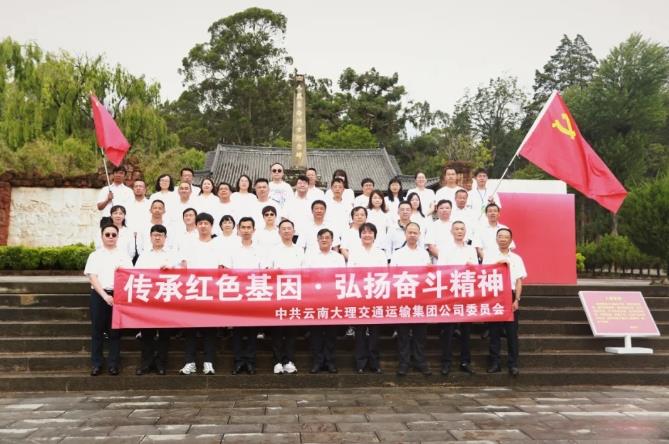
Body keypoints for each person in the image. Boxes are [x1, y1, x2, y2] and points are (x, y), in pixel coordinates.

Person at [84, 223, 133, 376]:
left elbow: (130, 276)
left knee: (115, 332)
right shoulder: (95, 255)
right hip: (99, 295)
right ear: (102, 236)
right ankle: (96, 364)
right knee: (97, 330)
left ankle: (113, 364)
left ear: (118, 237)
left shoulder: (124, 256)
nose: (110, 237)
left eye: (114, 235)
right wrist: (104, 295)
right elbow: (92, 277)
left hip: (118, 296)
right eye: (107, 234)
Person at [178, 212, 224, 375]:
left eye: (206, 223)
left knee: (210, 329)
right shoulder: (189, 244)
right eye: (200, 223)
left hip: (212, 291)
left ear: (211, 226)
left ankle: (208, 362)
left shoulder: (219, 245)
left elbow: (222, 268)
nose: (203, 226)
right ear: (196, 225)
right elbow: (183, 266)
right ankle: (190, 362)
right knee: (190, 328)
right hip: (192, 290)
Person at [134, 224, 180, 375]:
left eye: (161, 235)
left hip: (166, 298)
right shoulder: (144, 255)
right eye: (155, 235)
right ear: (150, 237)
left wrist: (172, 269)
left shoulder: (173, 255)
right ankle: (146, 364)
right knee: (147, 333)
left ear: (165, 238)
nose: (158, 237)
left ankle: (161, 364)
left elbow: (182, 273)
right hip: (148, 299)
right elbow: (136, 274)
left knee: (164, 334)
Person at [436, 221, 478, 377]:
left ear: (465, 232)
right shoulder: (445, 249)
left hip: (467, 292)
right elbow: (441, 269)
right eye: (457, 229)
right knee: (448, 330)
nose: (459, 231)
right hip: (450, 293)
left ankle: (465, 361)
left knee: (466, 330)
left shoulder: (471, 249)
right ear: (451, 231)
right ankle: (446, 362)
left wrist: (471, 267)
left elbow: (476, 270)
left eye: (462, 229)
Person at [224, 217, 265, 375]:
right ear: (238, 230)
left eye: (249, 227)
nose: (246, 230)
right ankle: (238, 361)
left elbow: (265, 271)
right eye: (243, 227)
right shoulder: (232, 249)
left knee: (252, 330)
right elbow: (226, 271)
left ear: (254, 230)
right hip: (237, 294)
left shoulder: (261, 249)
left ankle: (250, 362)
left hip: (255, 294)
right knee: (238, 331)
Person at [390, 222, 431, 377]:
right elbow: (392, 275)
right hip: (403, 298)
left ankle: (420, 362)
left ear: (419, 235)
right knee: (403, 334)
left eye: (415, 232)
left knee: (420, 334)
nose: (412, 235)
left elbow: (428, 275)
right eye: (410, 232)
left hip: (421, 298)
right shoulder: (397, 254)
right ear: (405, 234)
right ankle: (404, 363)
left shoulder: (424, 254)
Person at [484, 228, 526, 377]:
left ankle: (513, 364)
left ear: (510, 240)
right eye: (500, 236)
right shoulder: (489, 257)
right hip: (495, 296)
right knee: (494, 332)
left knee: (512, 333)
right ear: (496, 239)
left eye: (506, 237)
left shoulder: (517, 258)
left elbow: (519, 281)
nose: (503, 239)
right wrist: (498, 264)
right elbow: (484, 276)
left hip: (511, 295)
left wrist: (517, 299)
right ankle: (494, 363)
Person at [303, 229, 345, 373]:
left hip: (332, 299)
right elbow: (305, 276)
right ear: (317, 240)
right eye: (321, 237)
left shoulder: (338, 258)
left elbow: (342, 277)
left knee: (331, 333)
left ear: (332, 240)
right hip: (314, 299)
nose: (324, 240)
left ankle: (330, 361)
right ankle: (317, 362)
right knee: (316, 333)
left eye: (327, 237)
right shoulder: (310, 256)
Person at [348, 223, 387, 373]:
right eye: (364, 232)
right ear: (360, 235)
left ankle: (374, 363)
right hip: (359, 295)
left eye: (370, 232)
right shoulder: (354, 252)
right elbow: (350, 273)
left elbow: (383, 274)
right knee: (360, 331)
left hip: (376, 295)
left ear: (375, 235)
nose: (367, 235)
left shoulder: (380, 253)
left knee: (375, 332)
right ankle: (360, 363)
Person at [267, 219, 304, 374]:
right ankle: (277, 361)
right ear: (279, 231)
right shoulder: (273, 250)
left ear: (294, 232)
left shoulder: (300, 250)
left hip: (295, 294)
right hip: (277, 294)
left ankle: (288, 360)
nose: (287, 231)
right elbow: (268, 270)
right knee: (277, 330)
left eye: (289, 228)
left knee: (291, 331)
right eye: (284, 228)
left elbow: (305, 271)